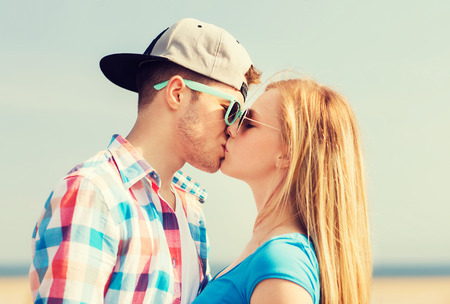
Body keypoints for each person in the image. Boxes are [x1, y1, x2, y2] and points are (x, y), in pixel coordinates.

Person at [29, 18, 261, 304]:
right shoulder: (94, 193)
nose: (234, 128)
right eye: (230, 109)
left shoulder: (191, 213)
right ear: (177, 93)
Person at [192, 77, 372, 304]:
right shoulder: (271, 253)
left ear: (288, 154)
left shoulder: (279, 260)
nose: (231, 128)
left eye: (248, 123)